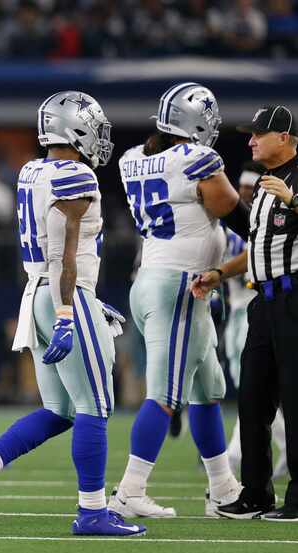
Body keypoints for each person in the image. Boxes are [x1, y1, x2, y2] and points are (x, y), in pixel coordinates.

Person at [0, 91, 144, 537]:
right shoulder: (76, 174)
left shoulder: (32, 170)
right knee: (95, 406)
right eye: (93, 127)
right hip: (63, 293)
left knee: (60, 409)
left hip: (36, 291)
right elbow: (62, 250)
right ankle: (93, 511)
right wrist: (67, 313)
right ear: (75, 130)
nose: (99, 137)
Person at [108, 83, 245, 519]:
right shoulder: (197, 159)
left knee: (208, 391)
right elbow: (232, 208)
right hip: (182, 285)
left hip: (154, 278)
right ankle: (130, 489)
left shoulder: (133, 159)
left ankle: (223, 488)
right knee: (166, 395)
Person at [194, 105, 298, 521]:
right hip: (264, 300)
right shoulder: (262, 186)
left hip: (294, 298)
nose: (251, 140)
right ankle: (256, 493)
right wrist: (220, 272)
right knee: (253, 399)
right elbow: (257, 247)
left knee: (295, 398)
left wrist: (292, 200)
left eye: (259, 134)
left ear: (285, 138)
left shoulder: (290, 182)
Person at [223, 163, 288, 480]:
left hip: (265, 303)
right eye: (243, 190)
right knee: (251, 388)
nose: (245, 195)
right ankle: (277, 448)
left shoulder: (270, 213)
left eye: (250, 190)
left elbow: (248, 257)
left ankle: (239, 452)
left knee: (262, 387)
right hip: (244, 309)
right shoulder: (251, 215)